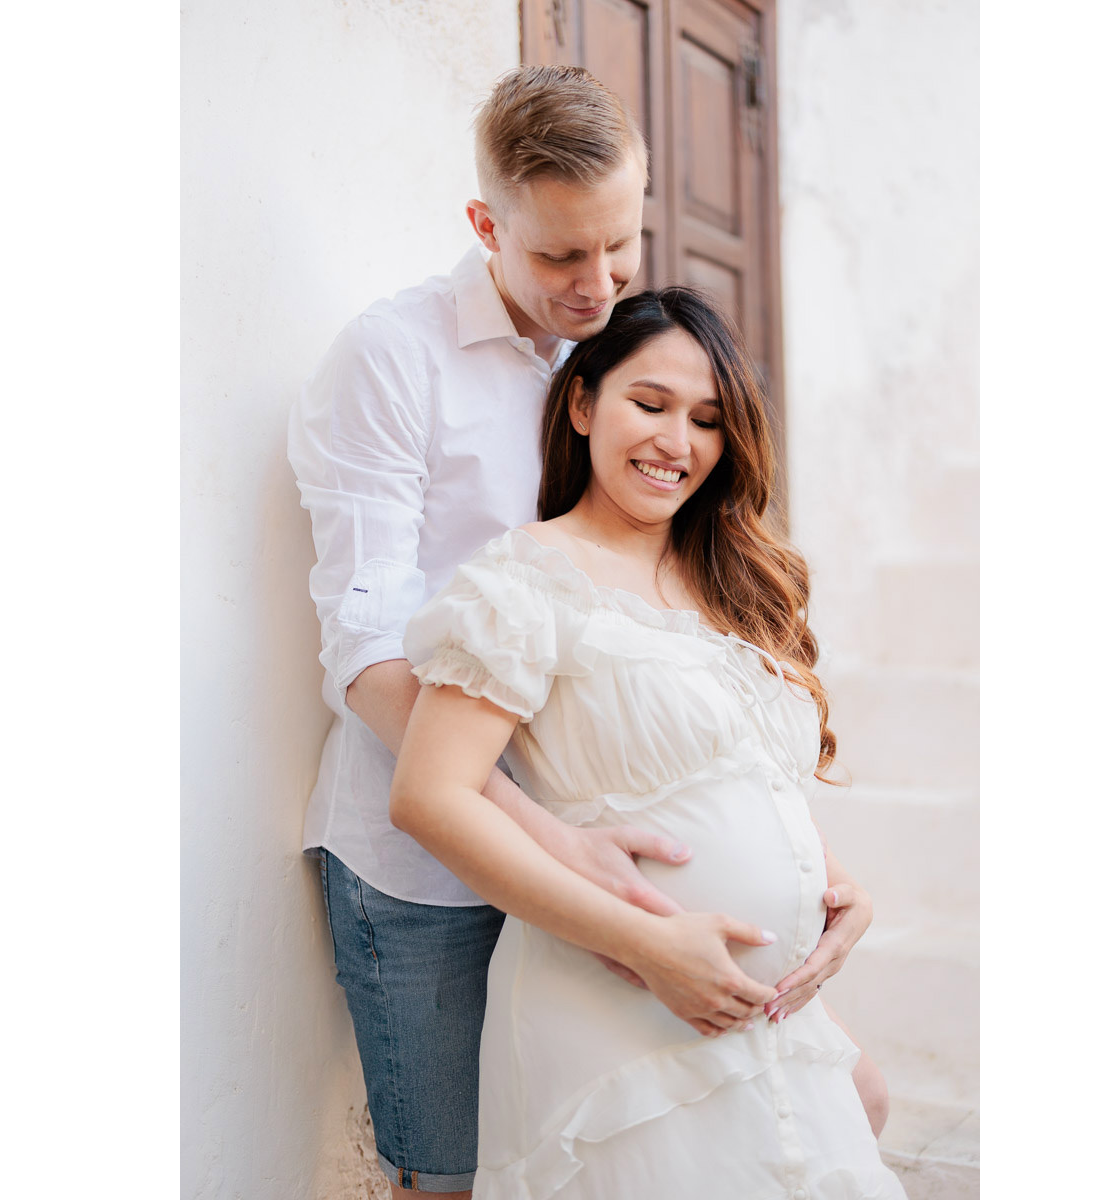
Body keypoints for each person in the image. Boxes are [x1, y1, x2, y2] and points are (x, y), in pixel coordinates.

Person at [289, 66, 880, 1198]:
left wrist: (795, 853)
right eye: (562, 255)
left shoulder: (616, 357)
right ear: (486, 224)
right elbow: (361, 644)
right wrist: (555, 839)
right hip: (424, 860)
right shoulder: (394, 357)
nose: (596, 282)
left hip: (609, 862)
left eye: (621, 247)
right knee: (455, 1176)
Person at [391, 286, 905, 1199]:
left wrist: (837, 888)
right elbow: (431, 798)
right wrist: (650, 948)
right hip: (616, 1012)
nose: (679, 442)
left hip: (766, 1022)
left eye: (709, 420)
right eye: (651, 404)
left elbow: (754, 779)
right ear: (583, 404)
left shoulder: (733, 589)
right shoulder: (524, 580)